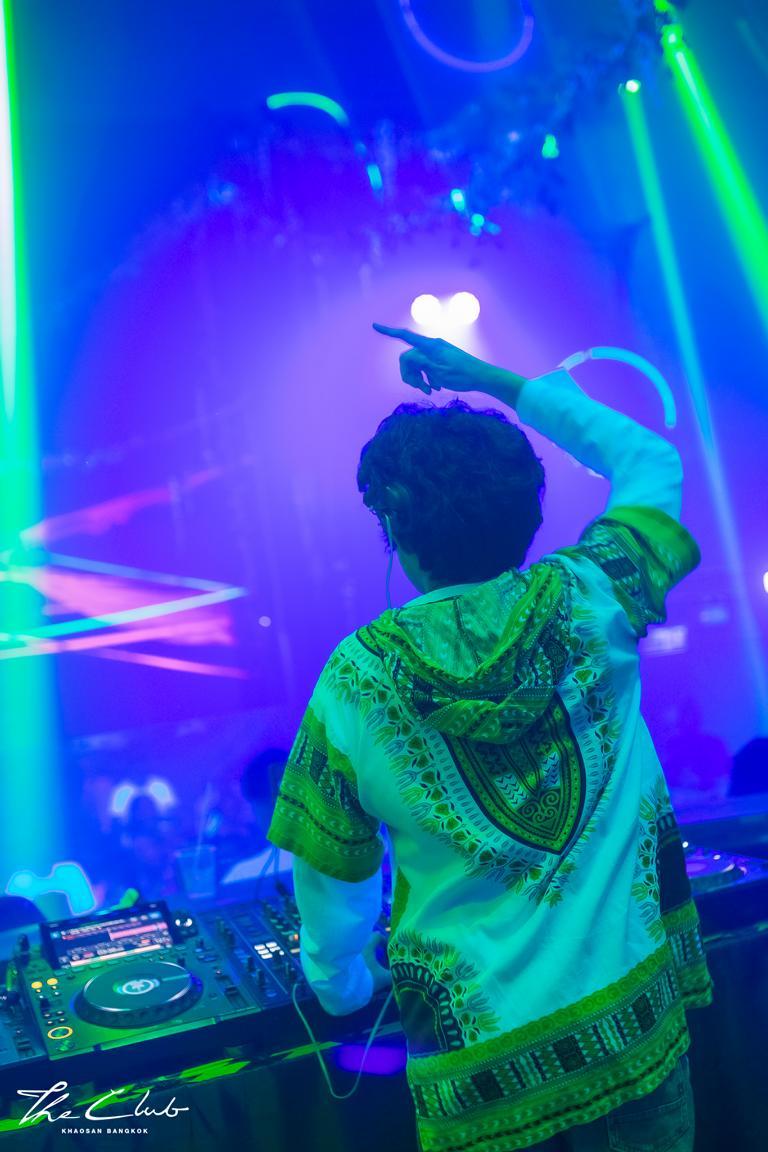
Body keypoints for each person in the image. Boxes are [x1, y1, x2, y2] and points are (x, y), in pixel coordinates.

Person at [268, 328, 712, 1152]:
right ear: (529, 512)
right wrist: (493, 379)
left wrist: (341, 987)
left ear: (394, 528)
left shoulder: (354, 680)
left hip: (482, 1081)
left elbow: (331, 878)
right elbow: (649, 458)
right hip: (634, 1033)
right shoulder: (597, 595)